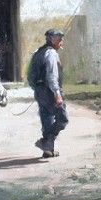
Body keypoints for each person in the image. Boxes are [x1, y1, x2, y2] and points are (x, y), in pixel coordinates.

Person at [28, 29, 69, 158]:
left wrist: (37, 88)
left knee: (47, 119)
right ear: (51, 39)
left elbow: (30, 76)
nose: (61, 42)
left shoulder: (38, 52)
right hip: (51, 91)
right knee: (63, 119)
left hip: (40, 91)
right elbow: (52, 77)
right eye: (59, 39)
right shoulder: (51, 54)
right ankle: (47, 142)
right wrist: (57, 94)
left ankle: (48, 150)